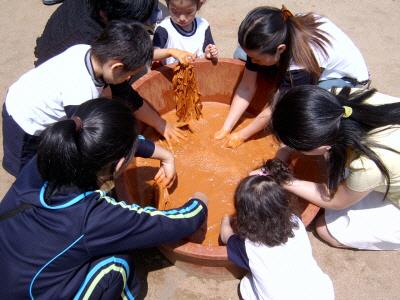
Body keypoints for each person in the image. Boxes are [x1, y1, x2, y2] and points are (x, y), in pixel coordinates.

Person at [0, 98, 208, 299]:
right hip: (26, 294)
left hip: (12, 267)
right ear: (118, 165)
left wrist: (165, 155)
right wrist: (200, 203)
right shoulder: (92, 216)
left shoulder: (50, 157)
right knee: (117, 262)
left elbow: (111, 143)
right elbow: (172, 223)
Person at [2, 20, 173, 182]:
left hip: (36, 93)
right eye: (129, 75)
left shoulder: (88, 51)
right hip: (24, 121)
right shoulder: (82, 93)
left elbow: (127, 95)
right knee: (29, 172)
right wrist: (161, 154)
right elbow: (106, 137)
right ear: (116, 67)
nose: (129, 79)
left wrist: (159, 124)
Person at [34, 0, 193, 145]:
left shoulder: (104, 18)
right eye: (138, 23)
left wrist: (168, 51)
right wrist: (160, 125)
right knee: (102, 115)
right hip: (42, 106)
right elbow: (124, 94)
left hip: (70, 57)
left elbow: (130, 54)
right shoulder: (88, 46)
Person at [214, 5, 369, 148]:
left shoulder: (300, 65)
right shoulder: (280, 30)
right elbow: (246, 87)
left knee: (305, 107)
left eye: (257, 59)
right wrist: (225, 128)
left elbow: (274, 108)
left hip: (346, 79)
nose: (253, 61)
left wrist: (241, 135)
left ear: (280, 49)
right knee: (241, 54)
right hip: (304, 61)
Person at [270, 85, 400, 250]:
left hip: (386, 179)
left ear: (324, 146)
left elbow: (335, 201)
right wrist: (284, 154)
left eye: (296, 146)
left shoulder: (368, 165)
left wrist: (283, 179)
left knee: (325, 228)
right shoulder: (338, 99)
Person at [220, 159, 334, 300]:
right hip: (321, 294)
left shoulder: (247, 247)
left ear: (243, 214)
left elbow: (226, 236)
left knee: (245, 286)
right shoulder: (295, 221)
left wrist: (225, 221)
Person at [153, 0, 218, 65]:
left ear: (199, 5)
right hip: (171, 73)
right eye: (175, 11)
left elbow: (208, 50)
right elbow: (152, 54)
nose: (182, 18)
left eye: (188, 12)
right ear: (167, 5)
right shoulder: (164, 28)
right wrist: (170, 52)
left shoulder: (203, 25)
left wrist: (209, 53)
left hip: (199, 71)